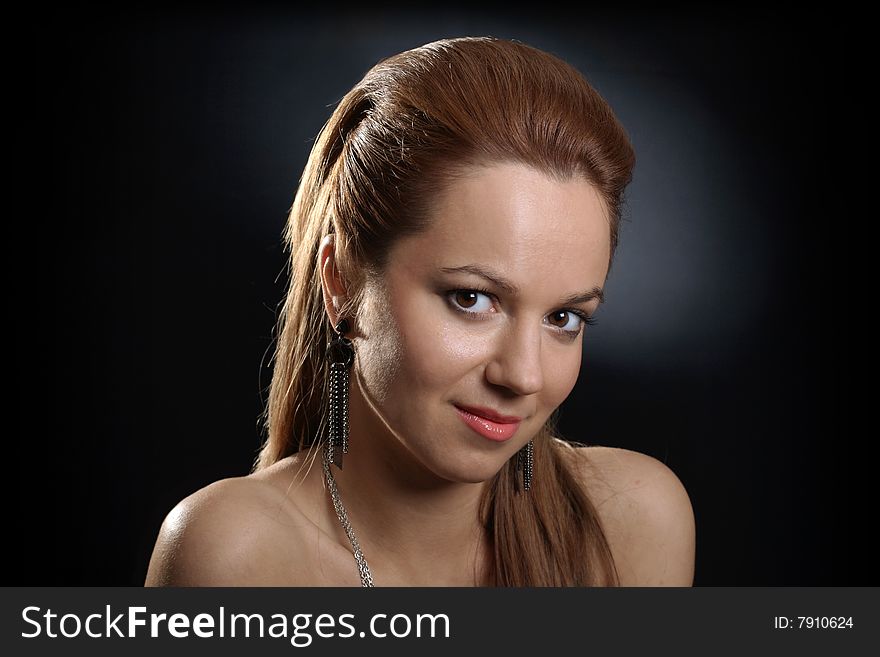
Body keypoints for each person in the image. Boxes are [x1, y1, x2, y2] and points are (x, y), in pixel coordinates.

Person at [144, 36, 695, 587]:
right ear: (342, 281)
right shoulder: (239, 555)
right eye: (472, 299)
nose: (524, 377)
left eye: (563, 319)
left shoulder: (634, 523)